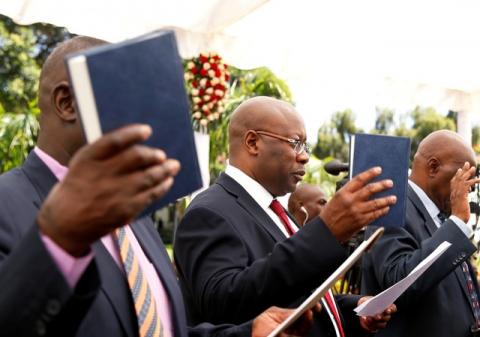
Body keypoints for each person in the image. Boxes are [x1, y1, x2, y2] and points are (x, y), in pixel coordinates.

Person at [0, 37, 318, 337]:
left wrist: (247, 332)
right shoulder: (7, 205)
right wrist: (61, 238)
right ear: (67, 103)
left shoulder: (135, 218)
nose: (144, 122)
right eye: (124, 101)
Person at [174, 96, 397, 337]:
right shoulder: (209, 212)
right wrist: (325, 232)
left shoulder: (275, 210)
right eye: (295, 143)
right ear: (252, 142)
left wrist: (354, 308)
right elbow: (224, 303)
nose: (304, 157)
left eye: (305, 146)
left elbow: (298, 294)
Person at [361, 130, 480, 337]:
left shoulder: (441, 218)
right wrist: (457, 222)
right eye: (464, 177)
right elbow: (397, 282)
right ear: (433, 167)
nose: (468, 189)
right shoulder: (391, 205)